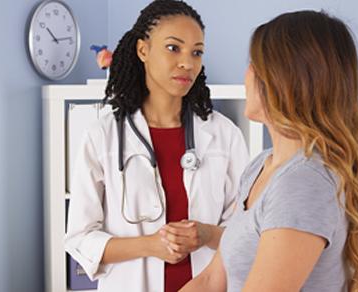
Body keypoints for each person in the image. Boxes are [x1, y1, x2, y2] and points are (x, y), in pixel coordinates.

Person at [181, 10, 358, 292]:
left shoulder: (303, 183)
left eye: (253, 64)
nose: (246, 75)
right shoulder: (261, 166)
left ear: (282, 80)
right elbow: (211, 282)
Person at [64, 1, 249, 291]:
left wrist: (206, 235)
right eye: (173, 48)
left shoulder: (224, 135)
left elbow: (247, 233)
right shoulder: (103, 136)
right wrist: (150, 245)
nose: (187, 62)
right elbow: (79, 237)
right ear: (143, 50)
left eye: (196, 52)